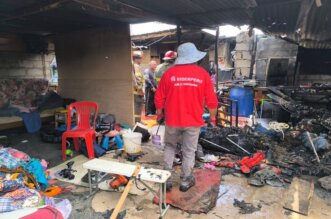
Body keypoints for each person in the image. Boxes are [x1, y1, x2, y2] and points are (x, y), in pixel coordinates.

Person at [155, 42, 218, 192]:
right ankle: (185, 181)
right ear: (194, 57)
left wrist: (159, 114)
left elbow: (158, 98)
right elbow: (212, 101)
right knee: (189, 151)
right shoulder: (202, 74)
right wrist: (213, 119)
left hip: (172, 120)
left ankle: (166, 179)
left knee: (170, 147)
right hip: (193, 121)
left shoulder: (169, 74)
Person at [132, 51, 144, 123]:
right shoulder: (136, 66)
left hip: (136, 90)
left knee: (138, 106)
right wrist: (140, 90)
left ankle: (138, 120)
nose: (141, 60)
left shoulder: (134, 65)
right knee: (137, 107)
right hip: (137, 91)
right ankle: (137, 121)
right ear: (137, 59)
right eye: (141, 59)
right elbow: (137, 78)